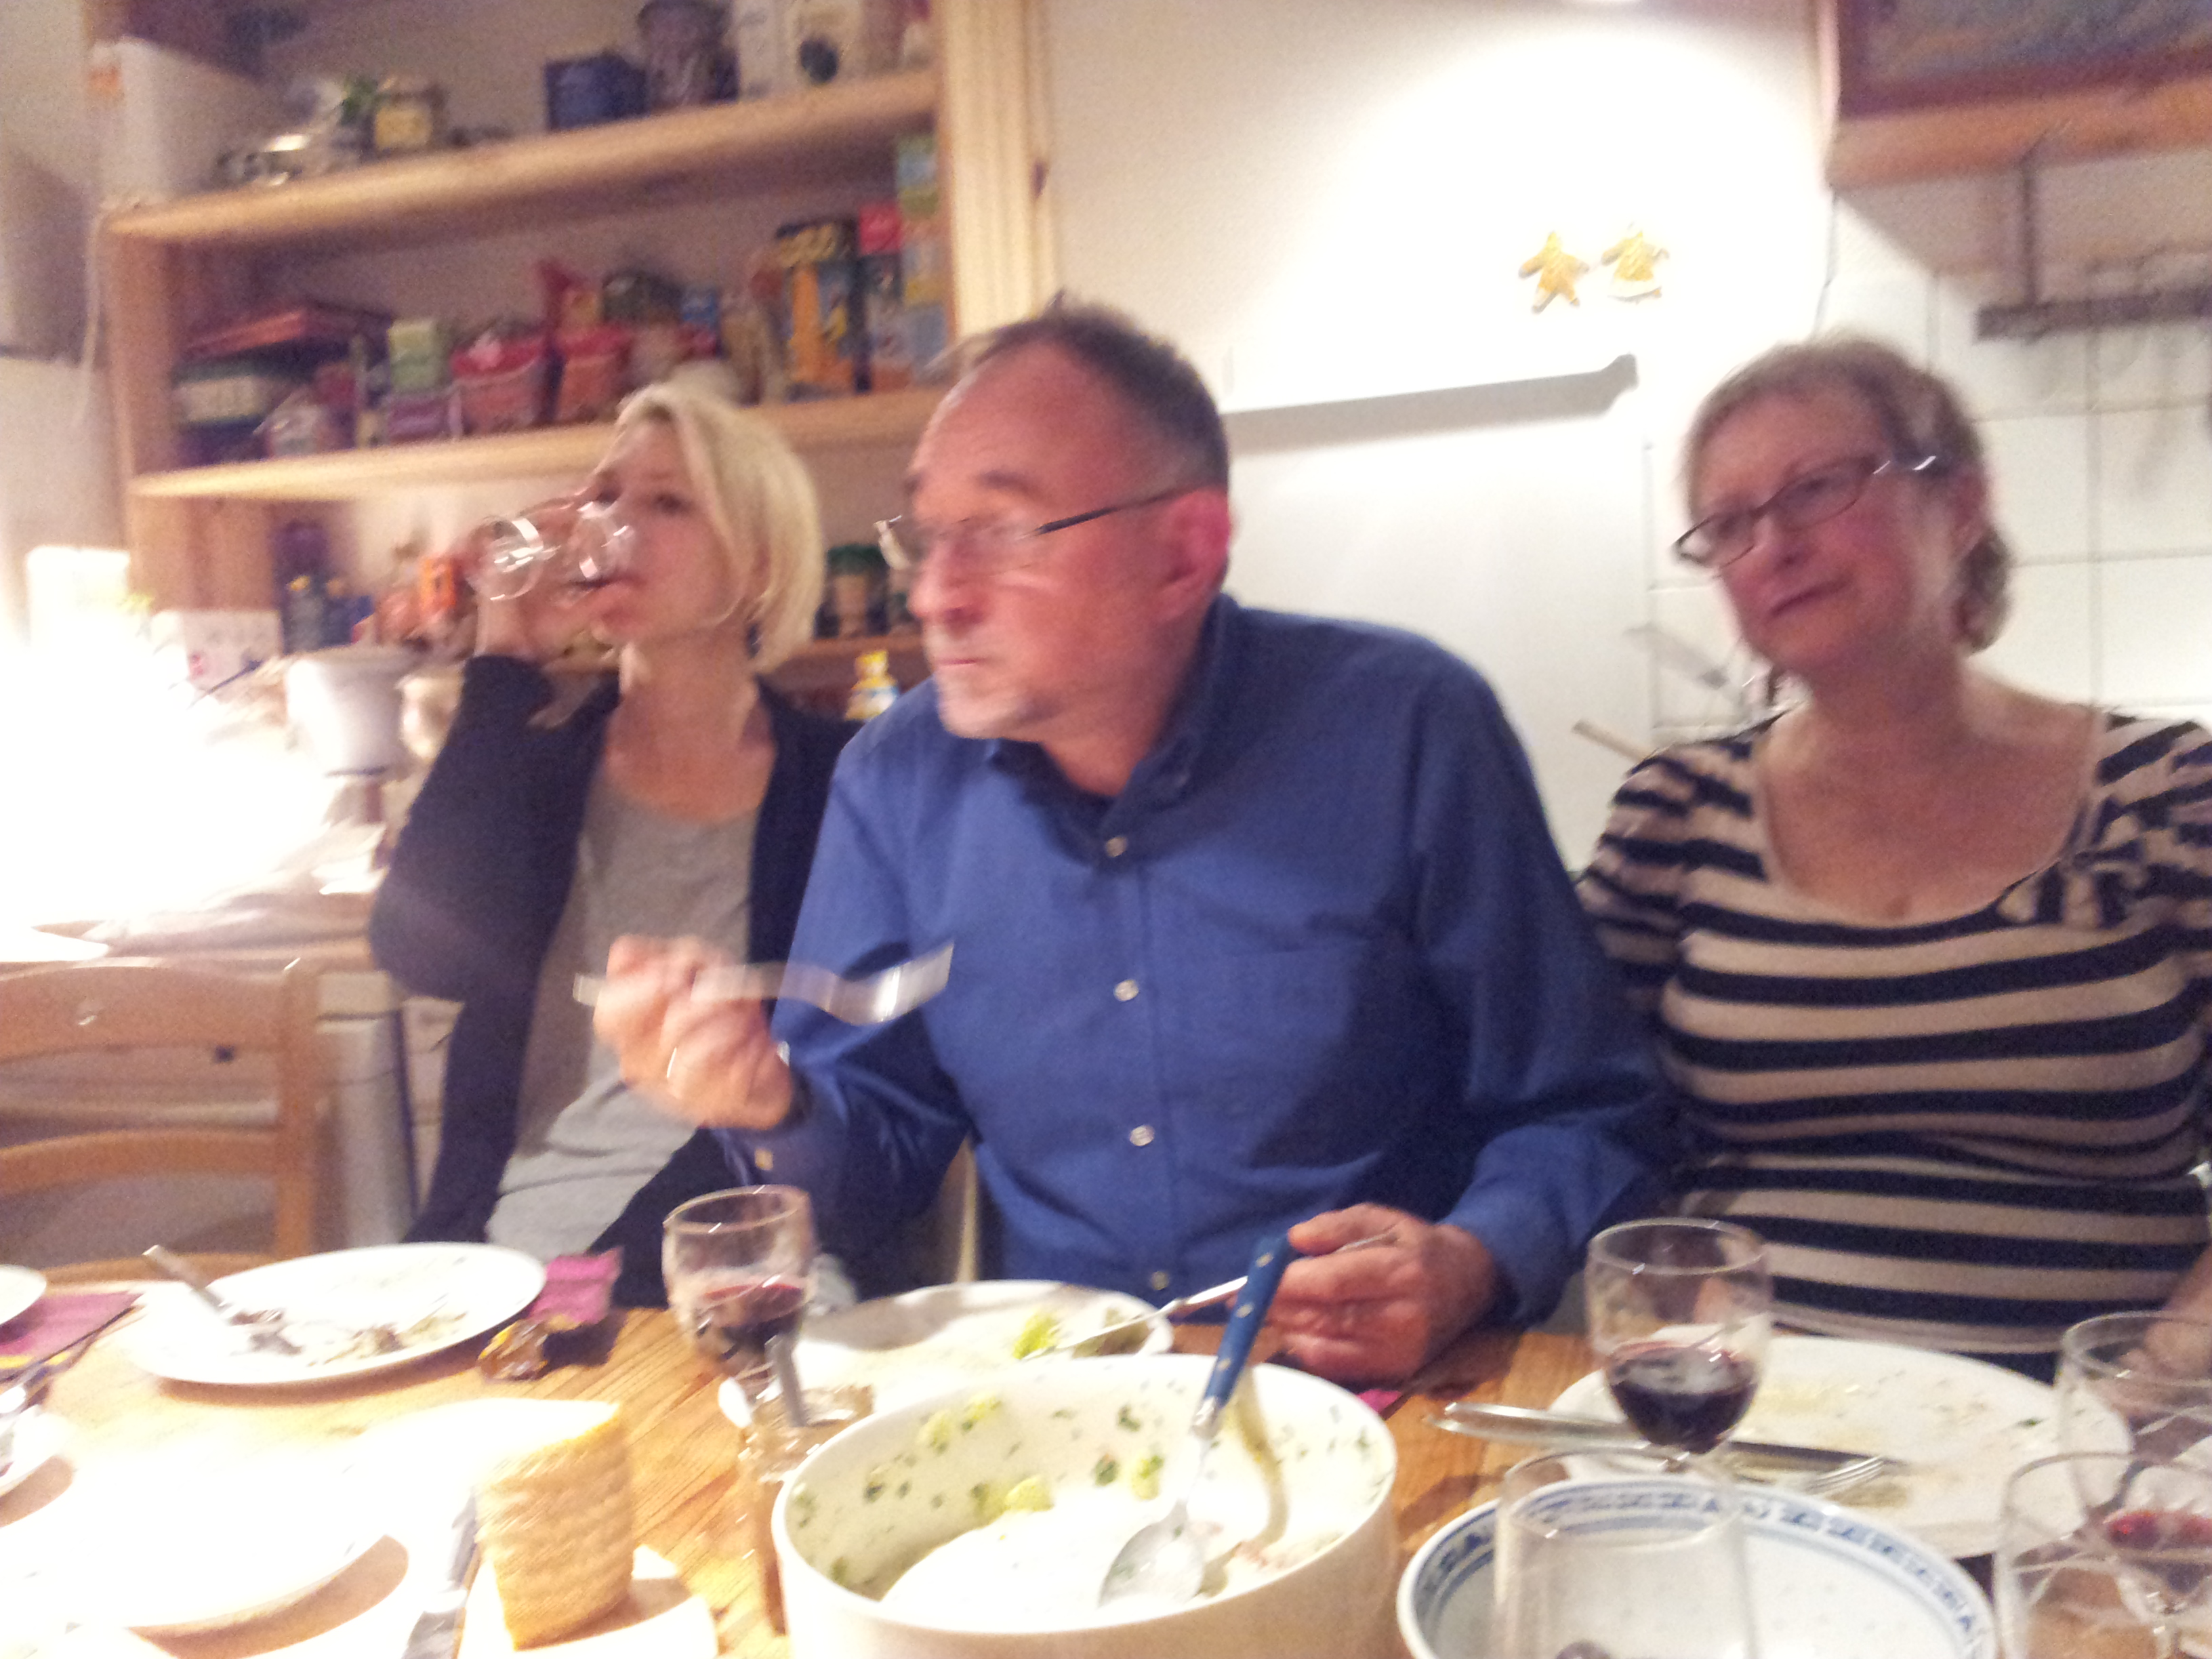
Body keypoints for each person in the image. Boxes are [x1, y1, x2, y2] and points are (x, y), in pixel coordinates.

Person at [594, 301, 1664, 1382]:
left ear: (1183, 556)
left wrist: (1469, 1262)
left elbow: (1585, 1105)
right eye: (925, 534)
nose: (934, 594)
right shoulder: (898, 780)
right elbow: (877, 1168)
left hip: (1371, 1385)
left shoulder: (1405, 729)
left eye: (1000, 533)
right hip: (1058, 1391)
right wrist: (769, 1103)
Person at [1580, 335, 2212, 1376]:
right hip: (1758, 1409)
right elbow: (1594, 1120)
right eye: (1729, 524)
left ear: (1960, 505)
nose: (1773, 546)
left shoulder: (2170, 791)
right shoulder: (1678, 812)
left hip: (2094, 1425)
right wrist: (1687, 1336)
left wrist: (2139, 1399)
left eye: (1816, 489)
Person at [370, 379, 855, 1307]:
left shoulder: (842, 784)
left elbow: (862, 1093)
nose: (613, 526)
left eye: (667, 503)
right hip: (512, 1251)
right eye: (601, 497)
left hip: (742, 1240)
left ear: (757, 564)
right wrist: (506, 657)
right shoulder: (537, 764)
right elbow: (419, 954)